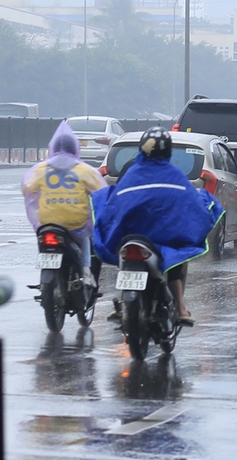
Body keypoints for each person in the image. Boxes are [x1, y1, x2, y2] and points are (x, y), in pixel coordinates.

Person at [95, 128, 222, 324]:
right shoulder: (174, 175)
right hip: (161, 241)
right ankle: (180, 308)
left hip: (129, 238)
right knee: (177, 258)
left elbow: (113, 206)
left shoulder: (131, 173)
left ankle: (123, 304)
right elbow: (193, 205)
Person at [20, 121, 106, 277]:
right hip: (76, 225)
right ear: (75, 149)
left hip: (47, 223)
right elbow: (102, 193)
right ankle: (86, 272)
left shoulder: (40, 169)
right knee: (88, 240)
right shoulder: (84, 170)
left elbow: (27, 188)